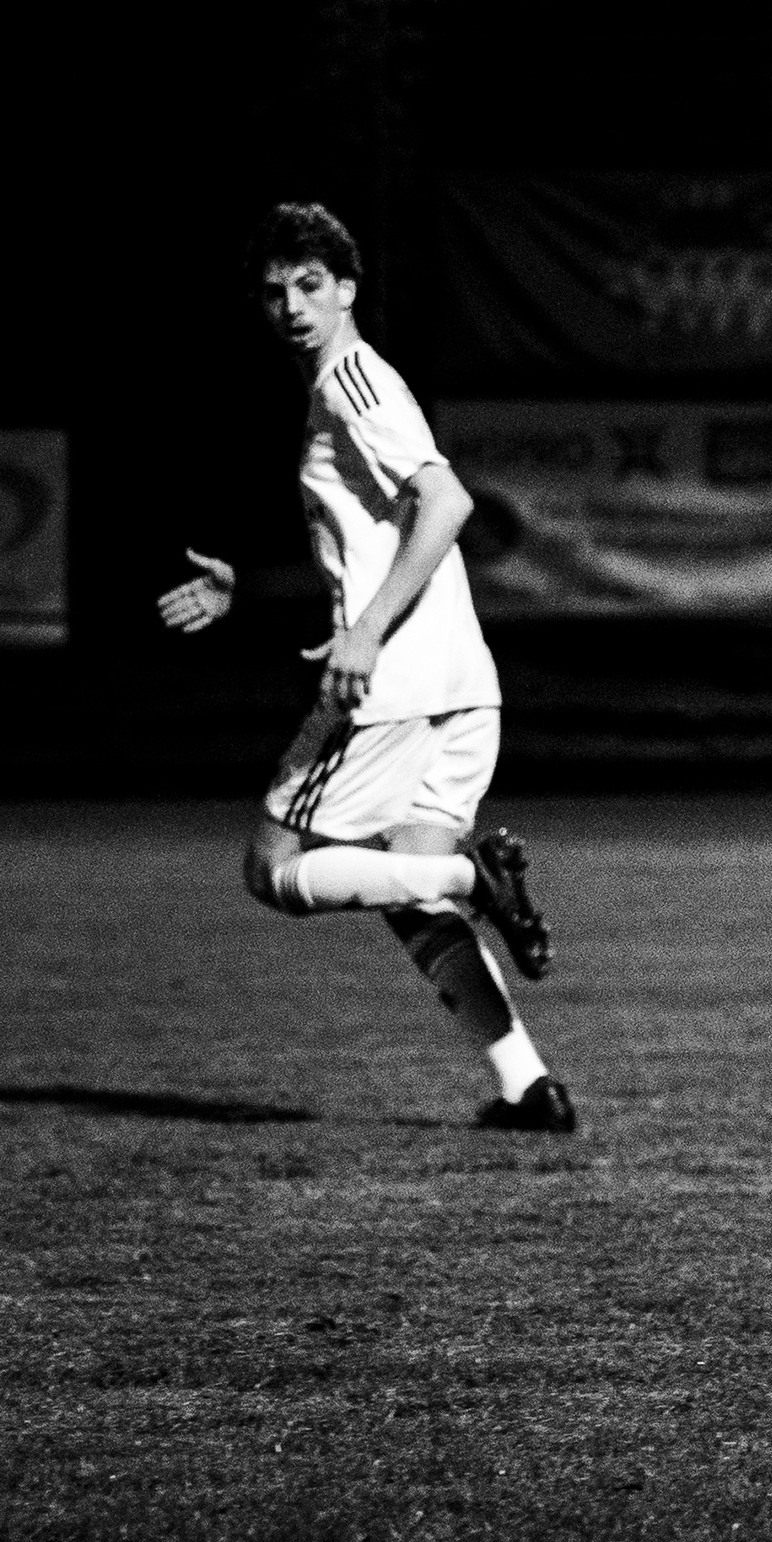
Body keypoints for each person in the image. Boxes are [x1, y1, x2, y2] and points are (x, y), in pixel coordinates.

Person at [156, 202, 573, 1131]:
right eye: (276, 292)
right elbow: (377, 544)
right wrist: (247, 588)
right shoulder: (344, 387)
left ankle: (478, 879)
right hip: (461, 679)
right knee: (407, 891)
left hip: (396, 685)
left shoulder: (352, 382)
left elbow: (447, 501)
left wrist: (369, 633)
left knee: (274, 867)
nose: (293, 307)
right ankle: (528, 1088)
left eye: (311, 286)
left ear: (347, 289)